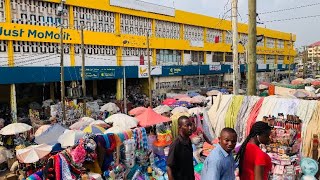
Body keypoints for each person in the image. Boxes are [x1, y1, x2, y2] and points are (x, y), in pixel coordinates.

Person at [167, 116, 195, 180]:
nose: (190, 128)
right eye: (187, 126)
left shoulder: (188, 140)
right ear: (180, 128)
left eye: (190, 125)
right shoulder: (176, 144)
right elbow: (169, 167)